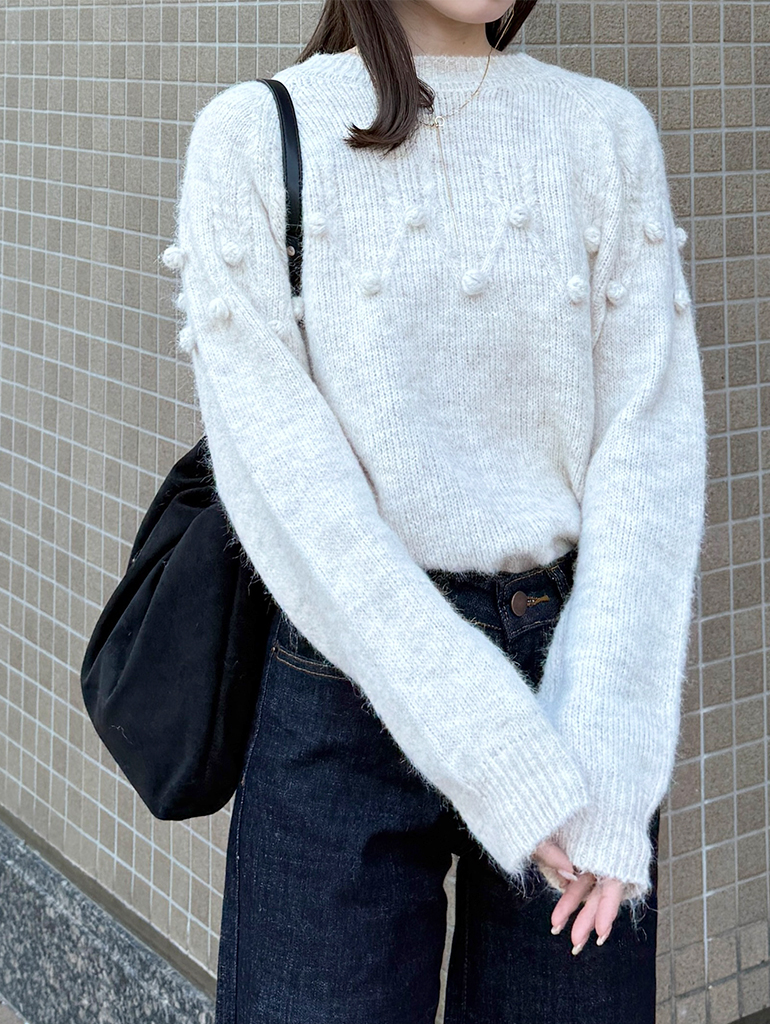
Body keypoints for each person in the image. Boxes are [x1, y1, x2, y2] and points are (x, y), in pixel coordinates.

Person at [162, 0, 707, 1020]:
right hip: (345, 676)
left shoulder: (604, 131)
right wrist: (489, 746)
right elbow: (292, 488)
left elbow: (651, 454)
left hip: (574, 682)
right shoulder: (254, 136)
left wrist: (614, 752)